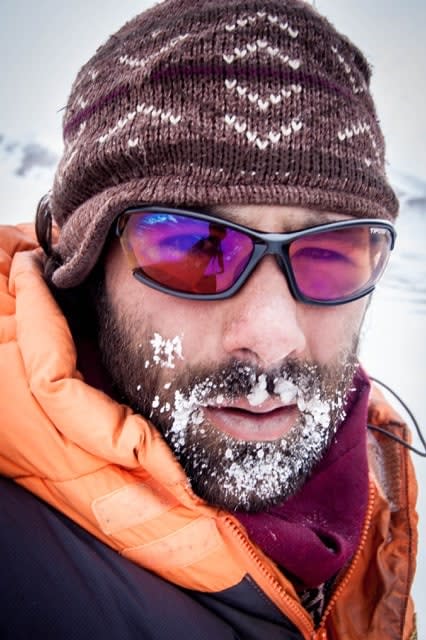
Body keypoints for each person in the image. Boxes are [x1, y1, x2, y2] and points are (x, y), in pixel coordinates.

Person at [0, 1, 419, 638]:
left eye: (329, 253)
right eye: (196, 248)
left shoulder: (373, 492)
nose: (272, 335)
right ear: (81, 265)